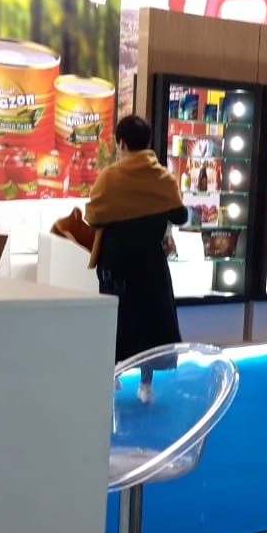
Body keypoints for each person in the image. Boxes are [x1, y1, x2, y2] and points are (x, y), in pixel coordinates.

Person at [85, 114, 188, 401]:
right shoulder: (163, 178)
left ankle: (113, 375)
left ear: (121, 143)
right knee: (150, 324)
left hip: (115, 264)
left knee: (114, 321)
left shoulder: (109, 178)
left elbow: (93, 218)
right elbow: (180, 215)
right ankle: (146, 386)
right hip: (151, 265)